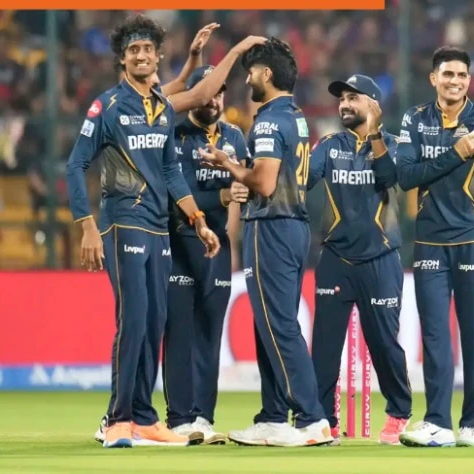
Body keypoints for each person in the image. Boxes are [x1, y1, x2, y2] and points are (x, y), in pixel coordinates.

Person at [66, 14, 263, 449]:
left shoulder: (160, 108)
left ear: (157, 57)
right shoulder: (108, 106)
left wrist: (198, 221)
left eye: (147, 50)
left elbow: (172, 172)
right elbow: (75, 164)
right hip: (123, 222)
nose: (141, 56)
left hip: (159, 229)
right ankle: (117, 419)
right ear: (122, 59)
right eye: (133, 50)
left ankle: (144, 418)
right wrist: (87, 227)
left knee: (155, 324)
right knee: (134, 320)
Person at [371, 46, 474, 448]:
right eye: (448, 74)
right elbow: (405, 176)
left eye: (462, 75)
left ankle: (472, 424)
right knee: (435, 335)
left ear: (469, 80)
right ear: (434, 78)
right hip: (430, 241)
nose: (455, 81)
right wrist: (455, 153)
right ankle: (438, 422)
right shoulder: (415, 119)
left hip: (473, 238)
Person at [198, 38, 332, 447]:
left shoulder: (270, 121)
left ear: (267, 74)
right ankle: (274, 417)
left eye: (252, 71)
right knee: (271, 324)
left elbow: (264, 182)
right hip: (294, 226)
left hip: (271, 227)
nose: (247, 79)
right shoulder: (297, 117)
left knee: (279, 325)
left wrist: (227, 163)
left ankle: (311, 419)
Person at [307, 74, 413, 445]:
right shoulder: (329, 145)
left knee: (383, 342)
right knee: (325, 346)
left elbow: (388, 178)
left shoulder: (395, 145)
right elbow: (304, 179)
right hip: (335, 258)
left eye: (353, 98)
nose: (344, 105)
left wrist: (376, 134)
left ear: (373, 104)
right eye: (341, 99)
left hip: (380, 259)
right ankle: (324, 419)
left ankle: (398, 413)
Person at [163, 65, 250, 445]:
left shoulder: (235, 137)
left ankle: (203, 417)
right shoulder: (176, 135)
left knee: (210, 335)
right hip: (180, 243)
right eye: (207, 91)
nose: (214, 99)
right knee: (179, 333)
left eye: (219, 92)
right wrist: (224, 195)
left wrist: (242, 197)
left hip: (219, 248)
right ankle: (179, 419)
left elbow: (245, 191)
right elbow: (179, 195)